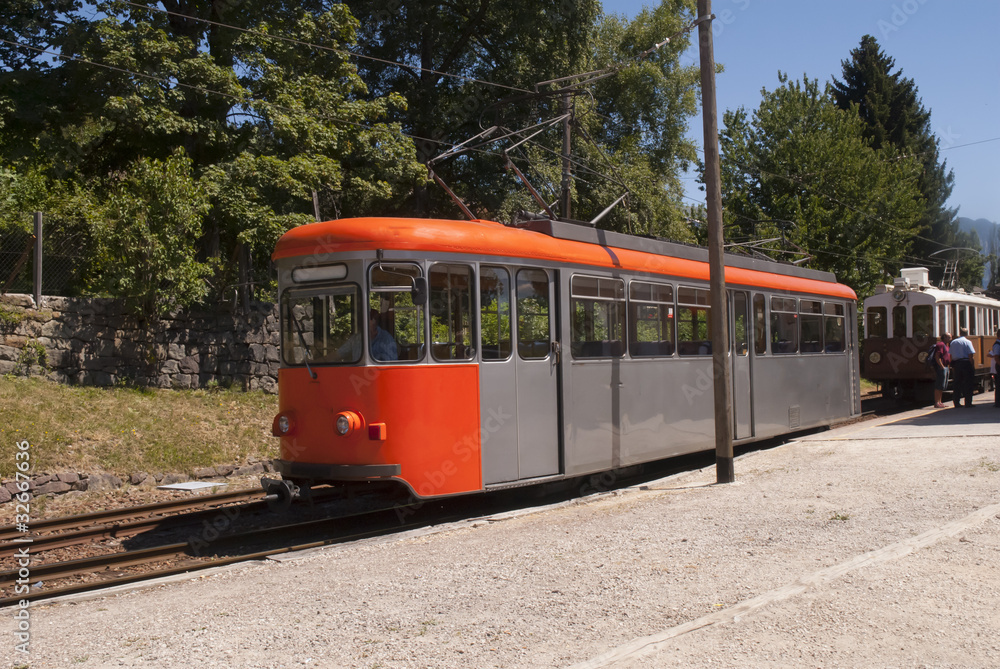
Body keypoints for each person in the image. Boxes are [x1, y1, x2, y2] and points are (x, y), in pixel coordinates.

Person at [948, 327, 976, 408]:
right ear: (967, 334)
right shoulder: (967, 342)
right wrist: (972, 365)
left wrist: (952, 365)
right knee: (968, 383)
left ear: (960, 333)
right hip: (966, 363)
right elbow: (971, 355)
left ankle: (956, 403)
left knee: (957, 383)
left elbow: (951, 355)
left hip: (956, 363)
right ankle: (968, 403)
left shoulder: (953, 342)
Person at [931, 332, 952, 409]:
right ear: (945, 337)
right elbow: (937, 356)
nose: (950, 339)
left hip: (946, 367)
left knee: (942, 385)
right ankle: (937, 402)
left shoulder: (947, 346)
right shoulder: (940, 345)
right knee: (939, 385)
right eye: (949, 337)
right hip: (941, 367)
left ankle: (940, 402)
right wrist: (942, 366)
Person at [987, 328, 1000, 408]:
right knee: (998, 385)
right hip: (999, 366)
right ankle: (998, 403)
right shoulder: (997, 345)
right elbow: (996, 357)